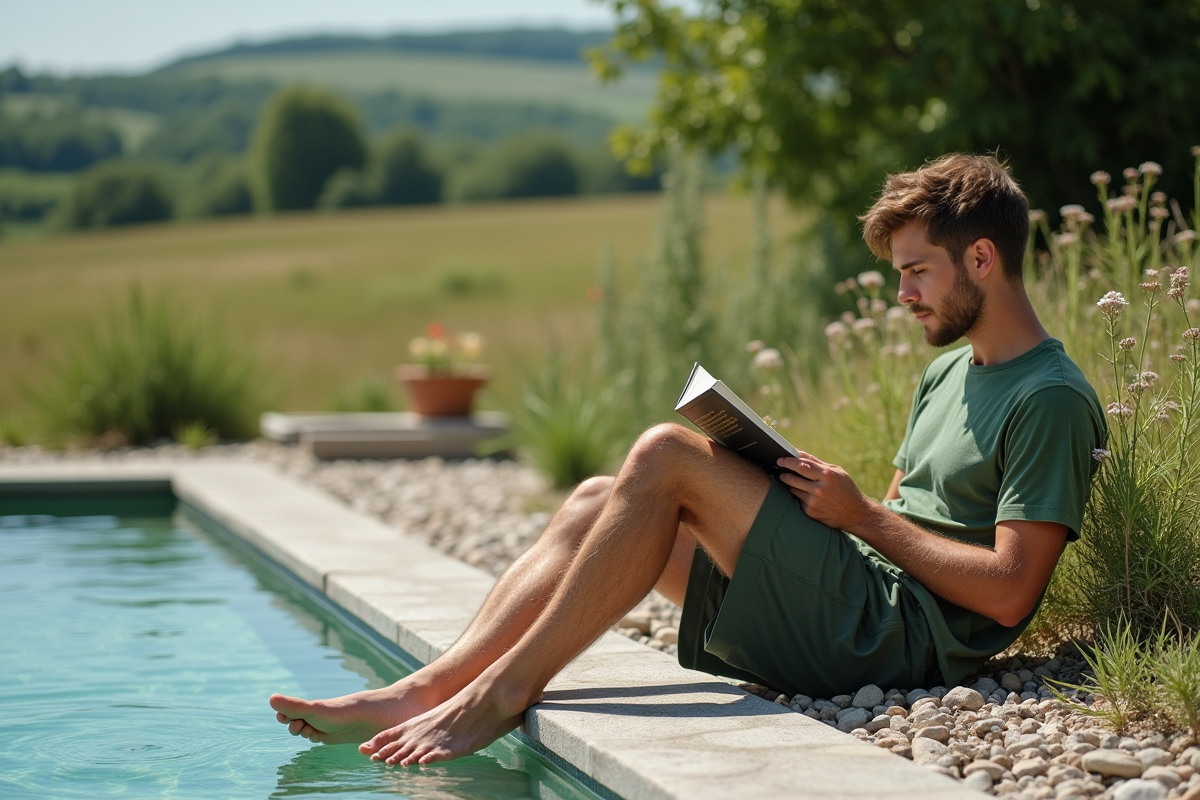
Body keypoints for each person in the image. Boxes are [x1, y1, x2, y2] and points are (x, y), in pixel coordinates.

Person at [269, 153, 1105, 767]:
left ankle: (503, 692)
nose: (903, 296)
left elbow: (1009, 591)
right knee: (602, 496)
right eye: (899, 275)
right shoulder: (949, 370)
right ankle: (423, 688)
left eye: (917, 273)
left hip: (892, 642)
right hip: (854, 589)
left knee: (667, 453)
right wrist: (798, 490)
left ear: (983, 260)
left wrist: (860, 516)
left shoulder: (1050, 398)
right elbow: (895, 513)